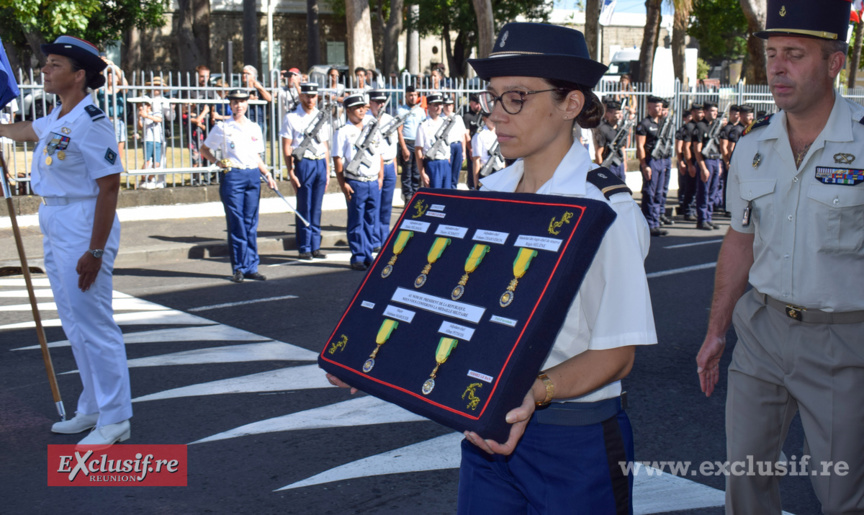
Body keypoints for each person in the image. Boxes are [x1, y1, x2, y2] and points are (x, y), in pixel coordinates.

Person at [461, 22, 657, 512]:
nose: (495, 114)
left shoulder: (606, 211)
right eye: (492, 97)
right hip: (485, 431)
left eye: (517, 98)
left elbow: (617, 355)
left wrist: (535, 391)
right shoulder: (491, 194)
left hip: (574, 440)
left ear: (570, 104)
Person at [695, 1, 864, 512]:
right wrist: (716, 331)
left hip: (842, 341)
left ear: (834, 63)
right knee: (745, 481)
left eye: (794, 54)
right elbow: (740, 240)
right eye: (772, 54)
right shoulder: (754, 145)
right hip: (761, 332)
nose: (777, 68)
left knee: (841, 495)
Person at [0, 35, 132, 447]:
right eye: (47, 63)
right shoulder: (59, 116)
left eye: (54, 64)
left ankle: (116, 417)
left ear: (78, 75)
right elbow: (25, 130)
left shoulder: (92, 122)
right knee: (74, 323)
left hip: (83, 220)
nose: (45, 70)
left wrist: (95, 250)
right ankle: (92, 406)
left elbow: (109, 188)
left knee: (94, 323)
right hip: (56, 219)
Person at [200, 89, 277, 283]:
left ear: (247, 103)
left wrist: (267, 174)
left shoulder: (254, 127)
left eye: (242, 102)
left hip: (252, 175)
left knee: (251, 222)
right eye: (235, 102)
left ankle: (252, 266)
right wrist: (217, 162)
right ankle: (239, 267)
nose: (239, 105)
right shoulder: (222, 127)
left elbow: (256, 156)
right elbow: (205, 149)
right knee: (237, 222)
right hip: (233, 175)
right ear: (230, 105)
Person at [280, 82, 331, 260]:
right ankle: (304, 246)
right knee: (304, 206)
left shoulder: (321, 116)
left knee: (316, 207)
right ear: (301, 96)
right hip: (304, 163)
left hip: (319, 162)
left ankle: (315, 245)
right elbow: (287, 146)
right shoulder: (292, 117)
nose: (310, 100)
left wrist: (327, 170)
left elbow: (325, 145)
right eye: (307, 96)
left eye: (313, 96)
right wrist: (290, 171)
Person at [333, 93, 383, 271]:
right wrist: (343, 184)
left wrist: (380, 176)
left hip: (372, 181)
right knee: (356, 221)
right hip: (356, 181)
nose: (362, 110)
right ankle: (358, 256)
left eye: (363, 107)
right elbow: (338, 159)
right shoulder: (343, 132)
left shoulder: (371, 128)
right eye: (357, 108)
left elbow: (379, 154)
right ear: (348, 110)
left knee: (371, 220)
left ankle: (368, 255)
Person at [367, 90, 400, 252]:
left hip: (389, 165)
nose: (380, 105)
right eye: (377, 102)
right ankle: (374, 240)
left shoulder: (389, 119)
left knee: (386, 206)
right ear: (370, 103)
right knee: (375, 205)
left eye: (382, 102)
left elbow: (393, 145)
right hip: (374, 166)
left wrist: (394, 165)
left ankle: (384, 238)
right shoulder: (366, 121)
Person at [636, 95, 670, 236]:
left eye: (660, 106)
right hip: (650, 161)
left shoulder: (661, 124)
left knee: (659, 193)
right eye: (656, 106)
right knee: (649, 193)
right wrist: (644, 165)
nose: (659, 109)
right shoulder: (644, 124)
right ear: (649, 107)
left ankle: (655, 222)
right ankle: (649, 224)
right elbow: (640, 146)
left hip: (661, 160)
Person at [691, 102, 721, 230]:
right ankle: (702, 219)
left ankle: (708, 218)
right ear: (705, 112)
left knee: (713, 192)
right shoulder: (700, 126)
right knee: (704, 192)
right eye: (712, 111)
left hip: (715, 160)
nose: (715, 113)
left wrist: (719, 164)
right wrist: (703, 167)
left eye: (716, 111)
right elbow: (697, 150)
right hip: (706, 161)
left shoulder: (715, 126)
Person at [397, 84, 426, 201]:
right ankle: (408, 197)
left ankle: (416, 196)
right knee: (407, 173)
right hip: (407, 143)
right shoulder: (401, 111)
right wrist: (404, 148)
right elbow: (399, 131)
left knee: (417, 172)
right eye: (410, 95)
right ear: (406, 96)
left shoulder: (421, 111)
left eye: (415, 95)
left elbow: (424, 129)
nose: (413, 98)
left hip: (418, 144)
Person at [96, 59, 127, 166]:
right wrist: (102, 66)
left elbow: (125, 84)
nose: (110, 75)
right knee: (105, 149)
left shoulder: (121, 90)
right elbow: (94, 80)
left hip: (118, 121)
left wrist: (114, 67)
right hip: (105, 122)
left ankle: (118, 168)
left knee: (119, 151)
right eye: (108, 74)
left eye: (113, 74)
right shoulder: (101, 89)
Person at [593, 98, 626, 181]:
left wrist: (625, 164)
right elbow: (598, 152)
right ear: (608, 114)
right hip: (609, 165)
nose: (620, 116)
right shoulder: (603, 129)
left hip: (619, 163)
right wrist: (601, 169)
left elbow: (622, 148)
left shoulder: (620, 129)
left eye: (621, 113)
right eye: (617, 113)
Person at [137, 94, 164, 189]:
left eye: (143, 105)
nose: (140, 107)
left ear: (149, 106)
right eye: (139, 105)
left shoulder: (155, 112)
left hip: (157, 139)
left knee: (157, 163)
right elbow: (140, 127)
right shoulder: (141, 116)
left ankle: (149, 179)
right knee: (147, 161)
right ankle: (143, 180)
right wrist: (140, 118)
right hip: (147, 139)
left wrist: (147, 116)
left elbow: (159, 119)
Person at [443, 95, 468, 188]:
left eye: (450, 105)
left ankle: (453, 188)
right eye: (446, 105)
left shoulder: (458, 118)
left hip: (458, 145)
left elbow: (463, 135)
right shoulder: (441, 118)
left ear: (453, 106)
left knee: (456, 171)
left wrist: (464, 151)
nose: (448, 107)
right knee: (448, 170)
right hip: (448, 146)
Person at [470, 112, 501, 187]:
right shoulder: (479, 135)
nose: (494, 121)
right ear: (485, 119)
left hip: (500, 171)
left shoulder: (500, 132)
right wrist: (476, 184)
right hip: (487, 172)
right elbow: (476, 160)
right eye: (492, 119)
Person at [241, 65, 272, 140]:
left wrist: (260, 88)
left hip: (258, 120)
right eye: (243, 73)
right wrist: (248, 99)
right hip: (243, 119)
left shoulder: (259, 87)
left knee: (258, 143)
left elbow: (269, 98)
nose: (244, 75)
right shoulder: (240, 88)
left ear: (254, 77)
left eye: (247, 74)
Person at [462, 94, 484, 190]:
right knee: (472, 170)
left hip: (483, 148)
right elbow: (466, 134)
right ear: (471, 103)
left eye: (480, 103)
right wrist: (470, 148)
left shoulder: (483, 115)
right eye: (477, 103)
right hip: (472, 147)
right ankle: (472, 187)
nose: (479, 106)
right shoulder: (467, 116)